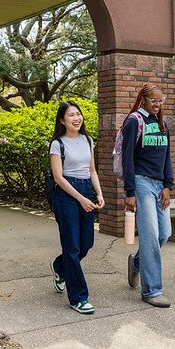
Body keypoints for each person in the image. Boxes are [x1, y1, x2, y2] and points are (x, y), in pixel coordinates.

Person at [48, 101, 105, 314]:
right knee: (71, 247)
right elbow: (58, 178)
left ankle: (60, 267)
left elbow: (92, 171)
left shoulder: (87, 140)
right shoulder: (58, 144)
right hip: (66, 195)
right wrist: (81, 198)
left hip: (85, 190)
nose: (76, 118)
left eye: (78, 114)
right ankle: (78, 298)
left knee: (86, 244)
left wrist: (98, 193)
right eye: (71, 115)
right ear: (62, 120)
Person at [122, 83, 174, 308]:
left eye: (161, 101)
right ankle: (152, 290)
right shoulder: (134, 121)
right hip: (142, 184)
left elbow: (167, 158)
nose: (158, 104)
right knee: (150, 235)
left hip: (159, 185)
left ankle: (136, 263)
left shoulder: (163, 124)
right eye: (154, 100)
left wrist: (168, 186)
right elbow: (127, 159)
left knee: (164, 234)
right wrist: (130, 191)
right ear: (143, 99)